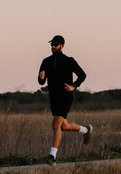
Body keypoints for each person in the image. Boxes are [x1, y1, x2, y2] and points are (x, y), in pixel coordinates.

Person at [38, 35, 93, 166]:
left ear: (62, 45)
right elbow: (41, 81)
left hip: (65, 97)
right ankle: (86, 130)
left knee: (56, 124)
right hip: (54, 98)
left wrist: (74, 85)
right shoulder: (46, 61)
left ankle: (52, 157)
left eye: (55, 45)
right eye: (51, 45)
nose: (53, 47)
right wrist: (41, 77)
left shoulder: (69, 61)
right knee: (64, 126)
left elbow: (82, 75)